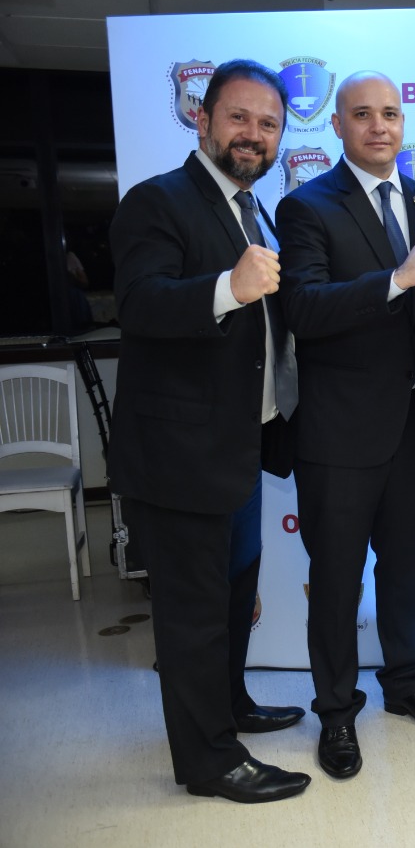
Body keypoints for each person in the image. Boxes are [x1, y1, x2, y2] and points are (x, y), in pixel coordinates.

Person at [109, 58, 310, 803]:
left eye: (269, 124)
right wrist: (230, 286)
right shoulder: (157, 201)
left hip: (237, 447)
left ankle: (229, 706)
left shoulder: (252, 208)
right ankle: (209, 761)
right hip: (179, 456)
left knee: (231, 595)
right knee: (193, 615)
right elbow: (140, 304)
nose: (253, 134)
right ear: (203, 120)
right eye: (239, 118)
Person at [276, 71, 415, 781]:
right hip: (337, 433)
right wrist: (395, 279)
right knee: (336, 581)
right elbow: (304, 309)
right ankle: (335, 710)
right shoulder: (305, 206)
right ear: (337, 125)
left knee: (410, 569)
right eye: (362, 114)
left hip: (414, 425)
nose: (379, 126)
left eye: (390, 113)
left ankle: (407, 682)